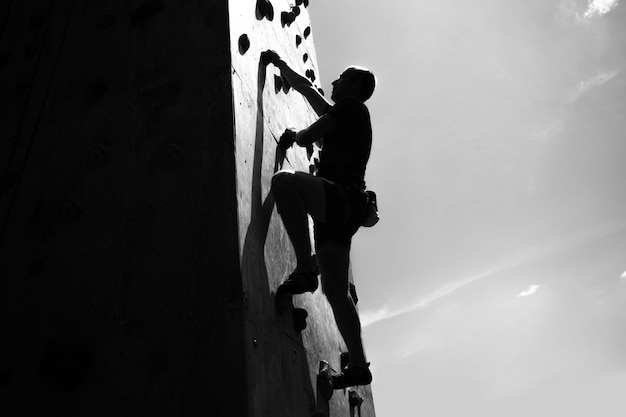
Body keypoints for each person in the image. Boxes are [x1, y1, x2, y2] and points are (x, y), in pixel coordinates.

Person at [263, 50, 376, 389]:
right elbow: (308, 90)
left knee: (284, 181)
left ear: (353, 84)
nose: (333, 82)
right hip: (344, 210)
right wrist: (281, 65)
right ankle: (357, 366)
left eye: (340, 78)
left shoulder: (351, 107)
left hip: (339, 196)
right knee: (336, 293)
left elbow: (309, 136)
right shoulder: (348, 114)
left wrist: (294, 135)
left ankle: (303, 267)